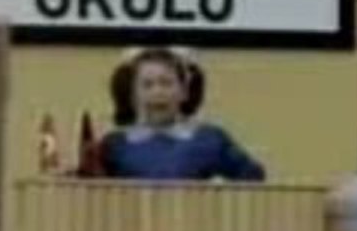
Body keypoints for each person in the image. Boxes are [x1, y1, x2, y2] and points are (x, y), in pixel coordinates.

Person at [100, 47, 265, 181]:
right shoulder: (114, 145)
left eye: (166, 83)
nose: (157, 92)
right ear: (133, 95)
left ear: (184, 92)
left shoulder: (209, 140)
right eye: (147, 85)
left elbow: (254, 178)